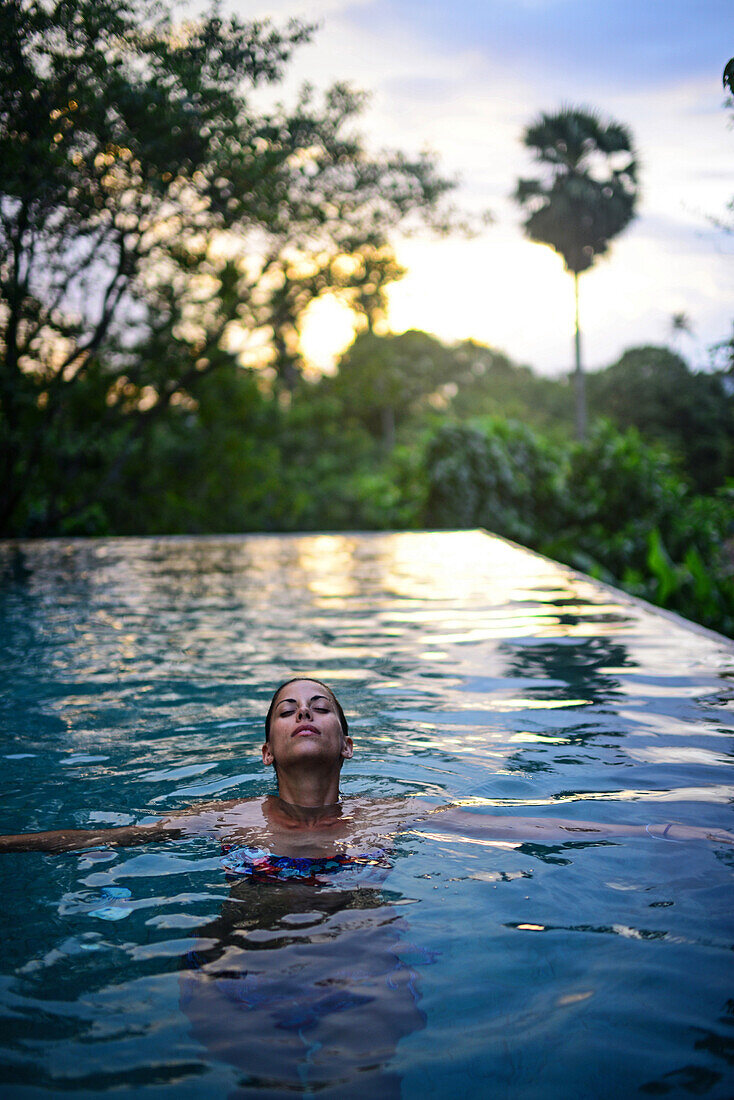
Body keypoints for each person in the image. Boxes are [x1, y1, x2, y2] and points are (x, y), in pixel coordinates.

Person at [1, 676, 733, 856]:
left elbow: (520, 824)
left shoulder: (394, 813)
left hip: (360, 947)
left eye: (321, 707)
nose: (305, 715)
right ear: (267, 750)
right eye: (288, 711)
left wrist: (662, 830)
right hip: (246, 948)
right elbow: (103, 840)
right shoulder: (222, 819)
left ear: (347, 743)